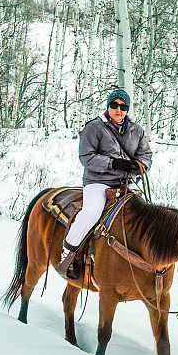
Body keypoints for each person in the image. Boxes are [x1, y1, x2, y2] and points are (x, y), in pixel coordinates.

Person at [56, 89, 153, 280]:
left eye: (123, 106)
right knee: (91, 213)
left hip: (125, 184)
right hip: (98, 182)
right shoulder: (93, 128)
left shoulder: (137, 130)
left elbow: (146, 154)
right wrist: (113, 163)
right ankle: (67, 255)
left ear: (127, 109)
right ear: (108, 106)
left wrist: (139, 165)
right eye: (114, 105)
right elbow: (86, 157)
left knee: (145, 216)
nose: (119, 110)